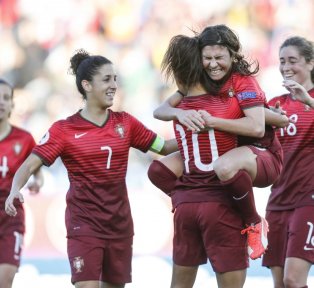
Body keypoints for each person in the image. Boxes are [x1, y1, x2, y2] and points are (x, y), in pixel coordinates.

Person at [5, 49, 178, 288]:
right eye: (106, 79)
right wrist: (15, 189)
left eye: (115, 79)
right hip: (83, 224)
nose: (114, 85)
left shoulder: (126, 123)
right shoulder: (63, 130)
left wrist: (200, 132)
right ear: (86, 85)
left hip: (120, 225)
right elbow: (29, 164)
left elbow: (164, 147)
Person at [148, 25, 287, 263]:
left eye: (219, 57)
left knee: (223, 166)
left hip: (261, 154)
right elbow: (160, 110)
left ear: (233, 56)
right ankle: (193, 200)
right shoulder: (198, 81)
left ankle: (253, 221)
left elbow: (255, 127)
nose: (213, 64)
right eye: (207, 58)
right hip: (228, 150)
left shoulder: (243, 82)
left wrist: (213, 122)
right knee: (159, 170)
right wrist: (178, 115)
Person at [262, 36, 314, 288]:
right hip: (278, 200)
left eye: (293, 60)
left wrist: (309, 101)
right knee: (280, 284)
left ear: (311, 63)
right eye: (282, 61)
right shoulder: (275, 105)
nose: (286, 67)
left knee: (293, 280)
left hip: (308, 200)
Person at [0, 79, 43, 288]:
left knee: (5, 278)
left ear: (12, 105)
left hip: (11, 215)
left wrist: (37, 182)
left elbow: (37, 169)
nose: (1, 102)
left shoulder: (24, 139)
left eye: (6, 98)